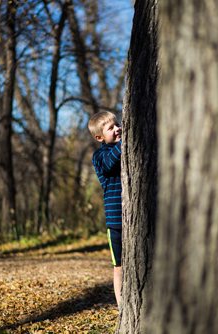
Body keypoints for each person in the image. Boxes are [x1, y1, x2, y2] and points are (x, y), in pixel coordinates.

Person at [88, 111, 123, 309]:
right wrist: (123, 142)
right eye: (111, 128)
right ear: (99, 137)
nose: (117, 128)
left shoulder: (120, 148)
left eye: (117, 124)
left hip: (135, 220)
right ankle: (121, 307)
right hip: (116, 222)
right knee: (119, 267)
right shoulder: (99, 156)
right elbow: (110, 163)